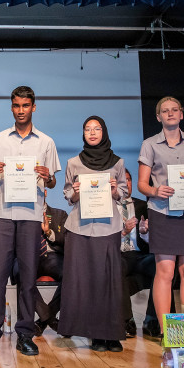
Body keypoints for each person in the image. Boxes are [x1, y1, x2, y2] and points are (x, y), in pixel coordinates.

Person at [0, 86, 61, 357]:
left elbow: (52, 182)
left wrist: (48, 176)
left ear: (33, 107)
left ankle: (25, 334)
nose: (21, 110)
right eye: (16, 105)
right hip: (2, 214)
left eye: (26, 105)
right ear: (11, 107)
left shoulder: (46, 142)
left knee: (27, 278)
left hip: (30, 215)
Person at [137, 97, 184, 329]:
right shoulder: (149, 144)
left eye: (174, 110)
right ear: (158, 117)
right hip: (163, 212)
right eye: (165, 111)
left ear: (181, 114)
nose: (170, 113)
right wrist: (155, 190)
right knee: (166, 271)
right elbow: (142, 184)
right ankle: (166, 331)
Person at [58, 115, 127, 352]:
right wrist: (76, 192)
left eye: (97, 129)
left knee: (109, 281)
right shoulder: (73, 162)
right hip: (81, 228)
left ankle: (112, 334)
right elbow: (68, 195)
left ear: (104, 132)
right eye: (88, 129)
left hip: (108, 227)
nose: (92, 133)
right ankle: (95, 334)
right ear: (83, 134)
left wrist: (115, 191)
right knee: (85, 282)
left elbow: (123, 194)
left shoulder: (118, 162)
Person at [119, 169, 169, 339]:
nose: (126, 184)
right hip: (120, 255)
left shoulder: (144, 206)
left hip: (140, 255)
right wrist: (123, 232)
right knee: (117, 266)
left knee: (162, 265)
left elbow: (155, 241)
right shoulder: (108, 208)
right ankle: (127, 320)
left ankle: (153, 320)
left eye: (129, 180)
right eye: (122, 180)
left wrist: (145, 233)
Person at [32, 198, 67, 336]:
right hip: (31, 257)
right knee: (21, 273)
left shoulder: (60, 214)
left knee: (70, 275)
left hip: (54, 256)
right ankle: (50, 319)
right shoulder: (24, 215)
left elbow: (67, 239)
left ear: (45, 192)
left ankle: (43, 319)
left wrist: (49, 233)